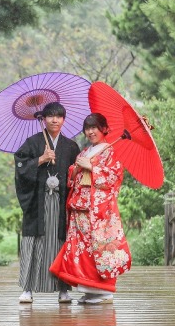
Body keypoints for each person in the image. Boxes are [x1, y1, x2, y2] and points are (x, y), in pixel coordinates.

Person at [49, 113, 131, 304]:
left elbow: (113, 178)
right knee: (81, 250)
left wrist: (93, 168)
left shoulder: (111, 152)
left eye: (95, 127)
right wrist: (76, 169)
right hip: (80, 207)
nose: (91, 132)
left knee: (98, 249)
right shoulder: (85, 152)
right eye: (87, 128)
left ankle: (103, 292)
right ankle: (90, 290)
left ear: (104, 129)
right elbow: (73, 178)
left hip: (98, 211)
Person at [14, 101, 80, 304]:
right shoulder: (32, 142)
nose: (54, 120)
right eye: (50, 116)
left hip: (61, 203)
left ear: (64, 120)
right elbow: (20, 167)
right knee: (33, 244)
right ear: (43, 119)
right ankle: (27, 288)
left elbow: (76, 177)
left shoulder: (70, 146)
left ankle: (63, 289)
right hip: (38, 203)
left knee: (60, 244)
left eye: (59, 116)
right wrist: (40, 159)